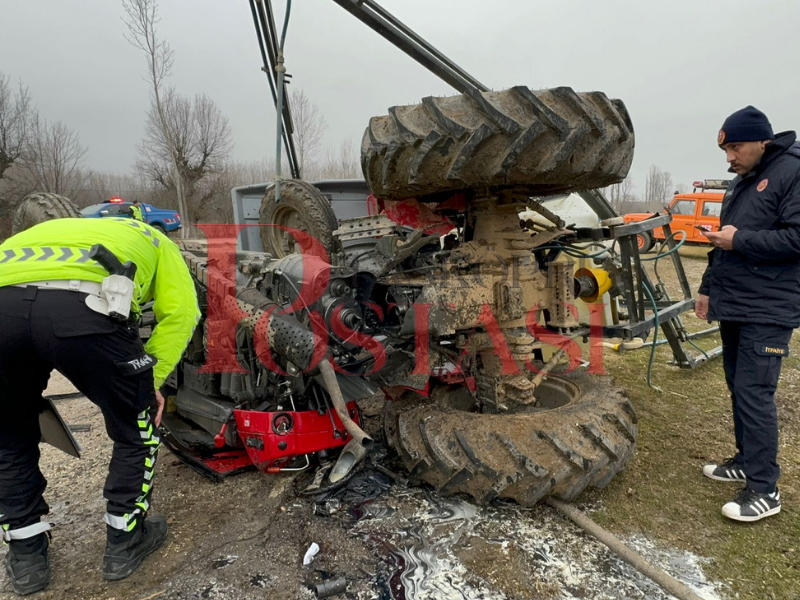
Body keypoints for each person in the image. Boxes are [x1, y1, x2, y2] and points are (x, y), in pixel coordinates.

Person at [0, 217, 200, 594]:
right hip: (82, 307)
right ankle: (125, 542)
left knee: (8, 434)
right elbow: (182, 314)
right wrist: (148, 382)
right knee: (135, 425)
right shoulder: (156, 240)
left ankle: (26, 555)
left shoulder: (40, 231)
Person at [696, 106, 800, 522]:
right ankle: (744, 459)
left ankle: (764, 489)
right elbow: (723, 241)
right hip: (736, 302)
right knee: (739, 388)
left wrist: (740, 240)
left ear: (762, 141)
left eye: (735, 148)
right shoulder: (743, 182)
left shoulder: (792, 172)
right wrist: (706, 288)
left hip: (769, 306)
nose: (730, 158)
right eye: (726, 150)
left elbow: (796, 238)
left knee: (756, 395)